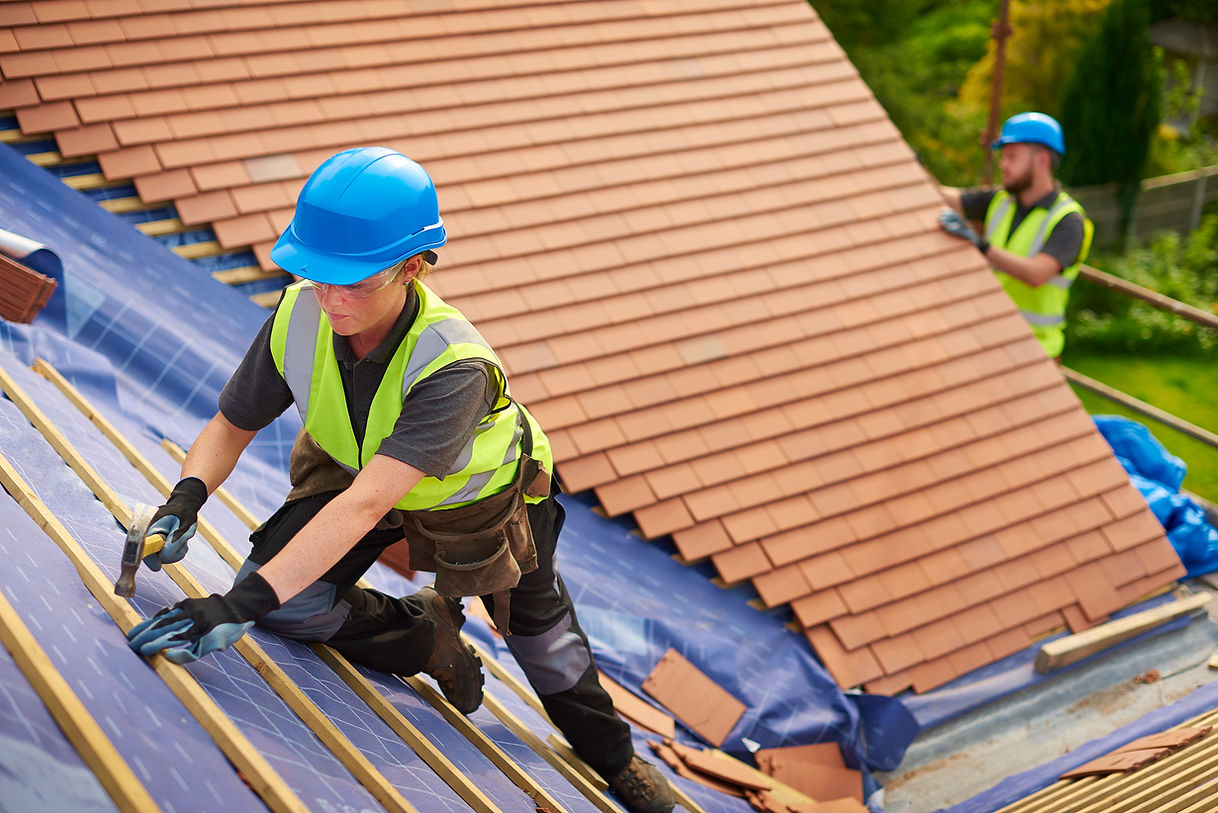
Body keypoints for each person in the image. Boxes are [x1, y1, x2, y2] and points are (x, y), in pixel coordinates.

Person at [126, 147, 675, 813]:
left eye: (352, 282)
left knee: (544, 647)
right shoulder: (303, 315)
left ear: (411, 268)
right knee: (282, 600)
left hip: (481, 505)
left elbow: (367, 504)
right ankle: (428, 635)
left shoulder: (453, 365)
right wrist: (184, 500)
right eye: (316, 274)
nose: (328, 298)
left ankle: (620, 761)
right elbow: (229, 425)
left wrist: (231, 609)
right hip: (366, 475)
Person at [938, 112, 1094, 360]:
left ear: (1041, 160)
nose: (1003, 165)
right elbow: (943, 196)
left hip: (1036, 352)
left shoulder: (1069, 221)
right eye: (1002, 157)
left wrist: (980, 245)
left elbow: (1036, 274)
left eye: (1012, 157)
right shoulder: (1001, 200)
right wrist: (913, 166)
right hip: (990, 339)